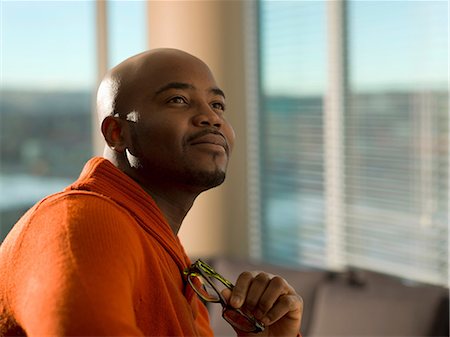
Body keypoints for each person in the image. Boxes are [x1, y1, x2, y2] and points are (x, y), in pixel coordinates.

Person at [0, 48, 303, 336]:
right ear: (117, 133)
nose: (212, 118)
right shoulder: (85, 223)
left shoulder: (177, 265)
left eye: (217, 105)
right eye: (178, 100)